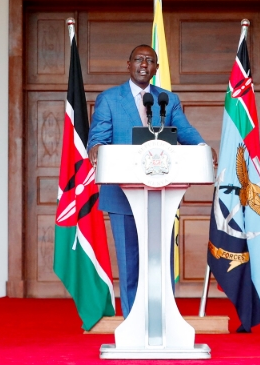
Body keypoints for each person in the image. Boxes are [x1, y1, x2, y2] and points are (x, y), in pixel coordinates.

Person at [87, 45, 210, 318]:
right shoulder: (109, 99)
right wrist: (96, 147)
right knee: (130, 263)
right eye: (139, 59)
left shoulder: (167, 99)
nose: (144, 64)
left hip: (162, 195)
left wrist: (202, 146)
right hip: (122, 195)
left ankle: (163, 318)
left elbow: (184, 130)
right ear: (128, 64)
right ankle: (133, 321)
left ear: (155, 68)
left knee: (160, 261)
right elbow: (98, 136)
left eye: (150, 61)